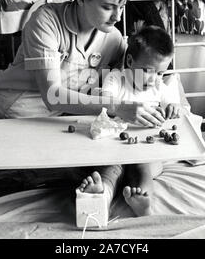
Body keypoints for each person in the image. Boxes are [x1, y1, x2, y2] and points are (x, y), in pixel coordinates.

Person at [0, 0, 165, 128]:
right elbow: (52, 95)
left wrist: (173, 102)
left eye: (121, 7)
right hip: (4, 116)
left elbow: (141, 73)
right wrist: (116, 107)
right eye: (108, 7)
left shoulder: (112, 39)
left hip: (51, 123)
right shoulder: (46, 22)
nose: (117, 17)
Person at [78, 26, 190, 216]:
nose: (154, 79)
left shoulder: (160, 88)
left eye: (160, 73)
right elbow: (105, 102)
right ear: (129, 61)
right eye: (148, 71)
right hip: (116, 148)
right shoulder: (116, 79)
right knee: (110, 169)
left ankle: (143, 201)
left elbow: (174, 106)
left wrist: (173, 107)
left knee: (144, 170)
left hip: (146, 150)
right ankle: (100, 196)